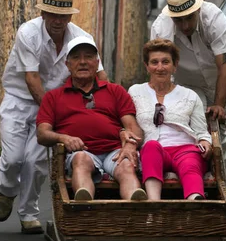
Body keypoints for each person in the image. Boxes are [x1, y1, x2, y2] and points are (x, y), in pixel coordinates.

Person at [0, 0, 108, 234]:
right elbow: (32, 78)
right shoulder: (28, 33)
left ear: (70, 17)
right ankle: (8, 189)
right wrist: (51, 112)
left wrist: (106, 105)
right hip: (19, 99)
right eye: (53, 14)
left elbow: (100, 75)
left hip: (54, 104)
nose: (58, 21)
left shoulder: (81, 37)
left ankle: (28, 214)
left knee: (35, 163)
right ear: (43, 13)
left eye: (63, 16)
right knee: (14, 158)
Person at [36, 36, 147, 202]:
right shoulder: (53, 97)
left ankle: (135, 204)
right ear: (67, 65)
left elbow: (133, 127)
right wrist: (63, 138)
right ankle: (85, 207)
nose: (82, 62)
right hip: (81, 151)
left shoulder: (115, 91)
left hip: (114, 151)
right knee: (81, 160)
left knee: (126, 164)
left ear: (97, 62)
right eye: (76, 57)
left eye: (88, 57)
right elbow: (42, 133)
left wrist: (131, 144)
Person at [128, 39, 213, 200]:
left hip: (185, 149)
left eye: (165, 62)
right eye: (154, 62)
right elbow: (127, 124)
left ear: (174, 66)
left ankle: (195, 202)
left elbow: (202, 132)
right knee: (151, 146)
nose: (160, 67)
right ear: (146, 66)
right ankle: (154, 205)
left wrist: (205, 142)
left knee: (190, 162)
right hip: (153, 151)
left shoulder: (190, 96)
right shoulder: (135, 92)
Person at [151, 0, 226, 122]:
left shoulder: (214, 19)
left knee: (219, 128)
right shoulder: (161, 27)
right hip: (187, 84)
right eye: (178, 20)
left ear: (198, 9)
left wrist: (219, 105)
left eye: (189, 18)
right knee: (195, 124)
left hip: (219, 80)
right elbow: (159, 69)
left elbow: (225, 64)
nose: (185, 25)